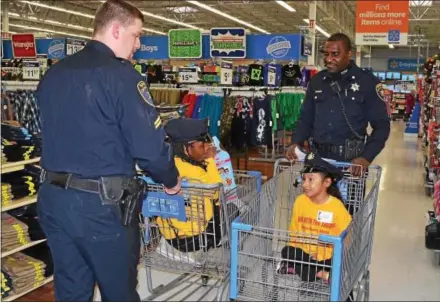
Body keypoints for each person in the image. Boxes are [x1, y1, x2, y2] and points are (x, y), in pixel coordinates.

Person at [35, 0, 181, 301]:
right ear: (116, 30)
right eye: (136, 35)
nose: (139, 44)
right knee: (119, 293)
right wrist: (170, 178)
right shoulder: (122, 76)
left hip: (53, 200)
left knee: (72, 288)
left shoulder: (54, 74)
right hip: (102, 207)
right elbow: (149, 148)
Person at [286, 33, 390, 179]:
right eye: (326, 54)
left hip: (351, 165)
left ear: (349, 54)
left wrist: (366, 157)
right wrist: (295, 142)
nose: (329, 59)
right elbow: (305, 118)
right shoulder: (316, 82)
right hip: (317, 161)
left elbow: (382, 126)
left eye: (335, 54)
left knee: (348, 203)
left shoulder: (367, 83)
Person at [154, 118, 237, 261]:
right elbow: (216, 192)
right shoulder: (194, 171)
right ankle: (215, 245)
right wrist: (211, 159)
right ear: (187, 148)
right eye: (202, 146)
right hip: (198, 237)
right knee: (234, 209)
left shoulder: (171, 164)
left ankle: (167, 245)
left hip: (169, 234)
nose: (206, 148)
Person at [277, 152, 352, 285]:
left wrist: (324, 255)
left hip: (327, 256)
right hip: (304, 254)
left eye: (311, 180)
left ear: (327, 182)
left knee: (334, 261)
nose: (305, 184)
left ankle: (302, 270)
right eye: (304, 179)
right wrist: (298, 254)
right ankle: (321, 274)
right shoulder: (300, 202)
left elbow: (347, 238)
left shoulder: (336, 207)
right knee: (286, 251)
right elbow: (294, 232)